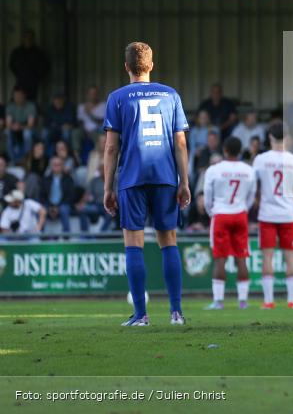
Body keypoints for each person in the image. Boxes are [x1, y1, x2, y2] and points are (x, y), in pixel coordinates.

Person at [103, 42, 191, 326]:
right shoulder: (171, 95)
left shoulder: (117, 98)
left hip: (132, 177)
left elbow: (111, 148)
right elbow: (180, 142)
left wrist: (107, 187)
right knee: (168, 240)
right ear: (151, 65)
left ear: (126, 66)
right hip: (165, 175)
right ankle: (176, 313)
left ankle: (141, 315)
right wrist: (184, 181)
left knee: (134, 243)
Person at [253, 122, 293, 310]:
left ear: (269, 137)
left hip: (267, 214)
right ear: (287, 137)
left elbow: (253, 187)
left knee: (267, 257)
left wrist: (262, 199)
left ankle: (268, 301)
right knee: (290, 257)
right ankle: (292, 301)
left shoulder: (260, 159)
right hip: (288, 214)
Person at [203, 136, 256, 310]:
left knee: (220, 259)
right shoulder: (248, 170)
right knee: (242, 258)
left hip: (221, 214)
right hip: (240, 214)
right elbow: (251, 196)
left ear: (224, 150)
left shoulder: (214, 170)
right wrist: (242, 209)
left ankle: (218, 301)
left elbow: (207, 196)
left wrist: (213, 212)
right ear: (240, 151)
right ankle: (243, 301)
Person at [8, 30, 49, 101]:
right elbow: (11, 65)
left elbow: (45, 66)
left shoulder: (38, 52)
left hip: (33, 82)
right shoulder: (17, 52)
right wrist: (19, 75)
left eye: (30, 37)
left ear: (33, 39)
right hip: (21, 80)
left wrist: (37, 77)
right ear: (23, 39)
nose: (28, 39)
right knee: (16, 99)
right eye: (26, 37)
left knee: (31, 101)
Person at [40, 156, 76, 233]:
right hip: (48, 205)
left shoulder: (69, 179)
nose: (56, 166)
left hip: (63, 204)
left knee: (64, 209)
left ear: (62, 166)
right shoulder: (45, 179)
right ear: (51, 166)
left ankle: (66, 237)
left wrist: (57, 207)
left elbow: (70, 196)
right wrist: (50, 207)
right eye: (54, 164)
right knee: (41, 210)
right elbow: (42, 196)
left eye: (59, 164)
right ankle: (41, 238)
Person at [5, 86, 37, 163]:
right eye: (15, 96)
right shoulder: (10, 106)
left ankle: (26, 158)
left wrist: (20, 127)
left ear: (24, 96)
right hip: (14, 129)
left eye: (19, 95)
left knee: (27, 134)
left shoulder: (30, 106)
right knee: (7, 132)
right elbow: (8, 123)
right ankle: (13, 159)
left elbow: (30, 124)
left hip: (27, 129)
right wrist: (13, 127)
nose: (17, 98)